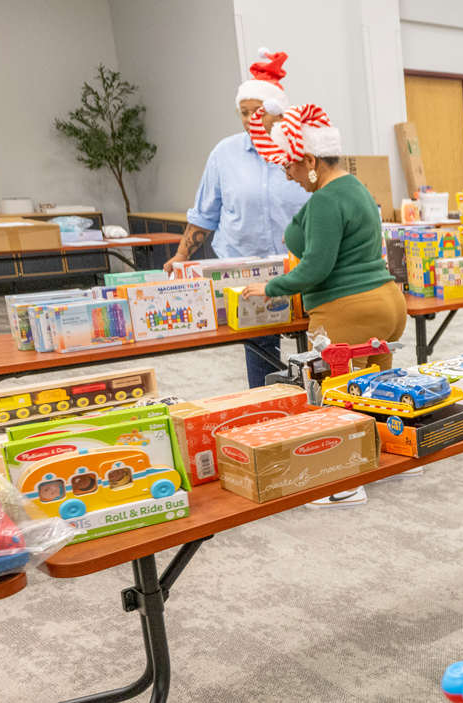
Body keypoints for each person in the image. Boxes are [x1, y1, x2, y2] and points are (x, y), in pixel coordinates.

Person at [243, 103, 407, 510]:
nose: (288, 175)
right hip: (387, 304)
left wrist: (271, 287)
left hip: (348, 309)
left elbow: (314, 268)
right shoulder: (357, 188)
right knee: (376, 393)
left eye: (290, 167)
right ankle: (396, 458)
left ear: (311, 160)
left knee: (331, 394)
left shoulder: (324, 202)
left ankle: (342, 485)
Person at [168, 49, 310, 388]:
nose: (249, 119)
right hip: (244, 270)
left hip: (298, 268)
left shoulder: (300, 151)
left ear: (277, 112)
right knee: (261, 351)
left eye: (257, 111)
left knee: (314, 346)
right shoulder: (224, 154)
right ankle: (266, 411)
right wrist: (181, 255)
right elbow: (205, 215)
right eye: (243, 112)